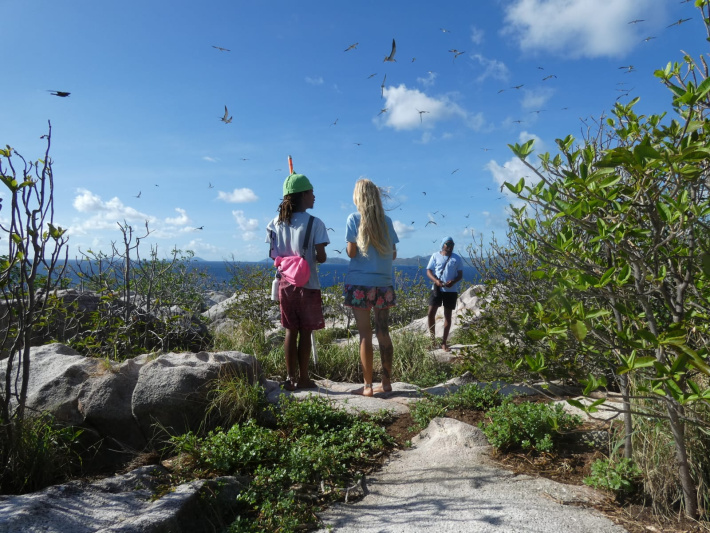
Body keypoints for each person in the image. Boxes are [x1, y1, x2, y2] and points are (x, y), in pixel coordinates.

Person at [266, 173, 329, 391]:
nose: (314, 196)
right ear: (302, 195)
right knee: (306, 331)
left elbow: (274, 256)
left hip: (285, 284)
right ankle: (304, 378)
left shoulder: (274, 223)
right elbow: (321, 258)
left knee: (290, 331)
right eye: (311, 192)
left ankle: (290, 378)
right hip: (308, 284)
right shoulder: (315, 223)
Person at [343, 178, 399, 397]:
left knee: (365, 335)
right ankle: (386, 383)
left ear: (359, 196)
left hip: (360, 284)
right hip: (383, 283)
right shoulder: (387, 221)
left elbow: (351, 253)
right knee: (383, 332)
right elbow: (393, 254)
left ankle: (367, 386)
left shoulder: (354, 219)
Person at [426, 236, 463, 352]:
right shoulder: (435, 256)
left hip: (450, 291)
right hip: (437, 289)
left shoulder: (456, 258)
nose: (450, 247)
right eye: (448, 244)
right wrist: (436, 281)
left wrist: (454, 281)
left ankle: (444, 343)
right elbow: (429, 271)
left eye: (452, 244)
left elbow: (460, 274)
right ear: (443, 245)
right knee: (430, 314)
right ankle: (432, 341)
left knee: (448, 316)